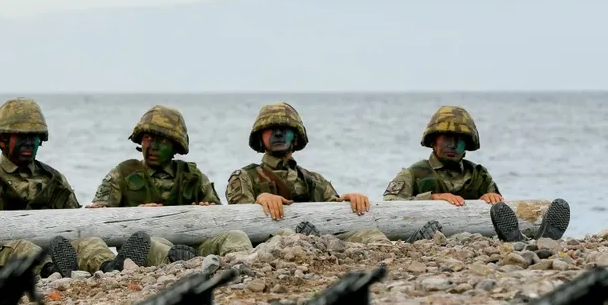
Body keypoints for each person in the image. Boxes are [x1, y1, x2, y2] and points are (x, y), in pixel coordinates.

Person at [0, 97, 151, 276]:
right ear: (2, 140)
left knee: (89, 242)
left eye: (34, 137)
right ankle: (53, 272)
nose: (29, 142)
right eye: (21, 137)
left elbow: (75, 223)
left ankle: (111, 267)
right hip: (1, 255)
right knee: (23, 247)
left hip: (53, 248)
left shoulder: (54, 180)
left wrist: (95, 214)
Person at [226, 102, 440, 243]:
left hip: (316, 245)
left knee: (371, 235)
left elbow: (334, 217)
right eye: (271, 129)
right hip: (265, 246)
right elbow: (235, 220)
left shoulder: (313, 180)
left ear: (296, 137)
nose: (279, 133)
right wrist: (260, 200)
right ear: (259, 137)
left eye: (286, 129)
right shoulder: (244, 178)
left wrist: (349, 202)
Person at [87, 105, 254, 264]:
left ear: (175, 145)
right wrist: (135, 215)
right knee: (148, 243)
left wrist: (207, 211)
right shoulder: (123, 173)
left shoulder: (192, 176)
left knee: (235, 236)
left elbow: (220, 220)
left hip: (195, 249)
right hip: (148, 251)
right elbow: (100, 220)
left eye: (162, 141)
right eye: (147, 138)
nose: (153, 146)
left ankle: (241, 266)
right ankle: (179, 265)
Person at [382, 105, 570, 241]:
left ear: (468, 145)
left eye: (459, 140)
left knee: (514, 234)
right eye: (447, 138)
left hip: (475, 234)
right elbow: (389, 208)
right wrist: (432, 198)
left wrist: (492, 198)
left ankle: (541, 237)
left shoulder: (478, 174)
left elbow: (502, 215)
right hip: (428, 235)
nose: (453, 146)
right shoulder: (414, 173)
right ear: (433, 141)